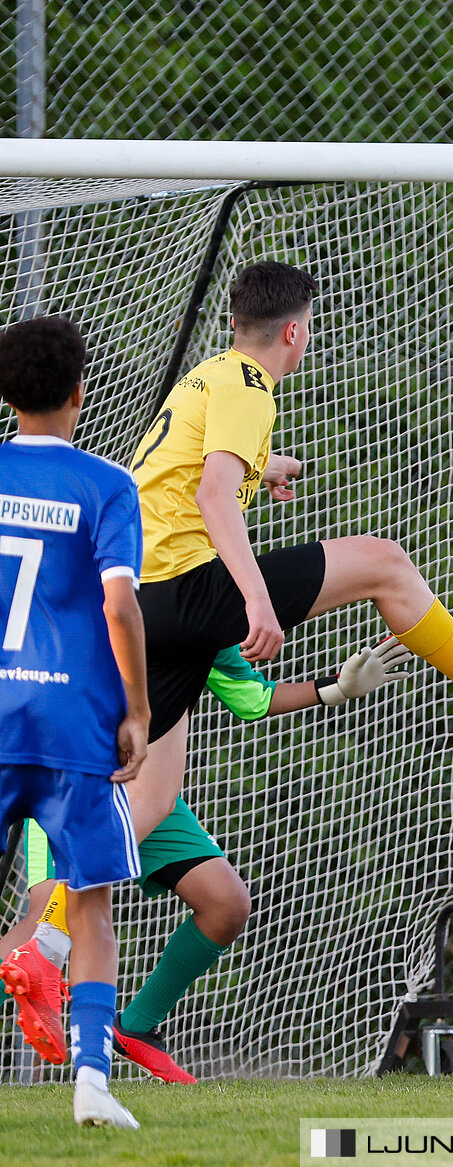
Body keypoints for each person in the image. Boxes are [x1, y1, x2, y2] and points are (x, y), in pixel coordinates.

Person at [116, 259, 453, 1080]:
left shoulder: (207, 377)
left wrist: (267, 468)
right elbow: (209, 494)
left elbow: (172, 476)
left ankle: (48, 940)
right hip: (189, 591)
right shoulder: (249, 383)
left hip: (144, 602)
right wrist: (254, 599)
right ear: (297, 331)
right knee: (385, 563)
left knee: (150, 799)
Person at [0, 639, 409, 1077]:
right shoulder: (106, 593)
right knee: (40, 930)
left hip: (149, 793)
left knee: (225, 903)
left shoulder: (205, 611)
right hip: (71, 776)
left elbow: (251, 697)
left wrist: (336, 688)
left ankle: (136, 1027)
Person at [0, 316, 148, 1128]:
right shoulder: (105, 484)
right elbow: (119, 602)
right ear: (79, 393)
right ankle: (92, 1080)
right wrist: (138, 706)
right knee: (89, 903)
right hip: (72, 721)